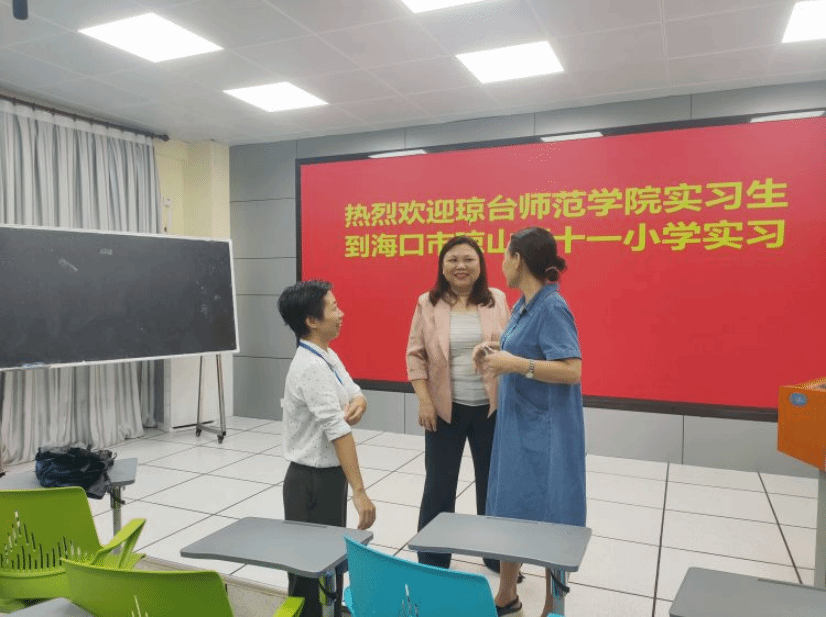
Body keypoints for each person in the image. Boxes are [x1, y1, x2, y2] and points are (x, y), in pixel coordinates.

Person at [475, 227, 585, 617]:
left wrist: (518, 364)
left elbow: (571, 370)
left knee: (552, 516)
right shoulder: (525, 304)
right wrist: (493, 350)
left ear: (518, 259)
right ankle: (506, 595)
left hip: (547, 435)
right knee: (512, 508)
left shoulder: (552, 306)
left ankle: (554, 607)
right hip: (518, 428)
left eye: (505, 255)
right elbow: (522, 349)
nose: (501, 263)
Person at [406, 235, 509, 571]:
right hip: (444, 410)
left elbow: (511, 345)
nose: (460, 266)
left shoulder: (497, 299)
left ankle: (496, 557)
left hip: (491, 409)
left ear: (480, 265)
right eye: (452, 260)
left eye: (468, 259)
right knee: (439, 485)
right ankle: (433, 560)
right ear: (442, 266)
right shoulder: (428, 302)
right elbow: (415, 355)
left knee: (492, 486)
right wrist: (424, 401)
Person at [277, 280, 377, 617]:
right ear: (312, 321)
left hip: (330, 476)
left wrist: (360, 401)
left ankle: (330, 610)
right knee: (308, 572)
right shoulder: (311, 367)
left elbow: (352, 388)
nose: (341, 313)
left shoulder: (325, 355)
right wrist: (360, 491)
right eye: (333, 308)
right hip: (310, 481)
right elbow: (338, 432)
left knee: (331, 561)